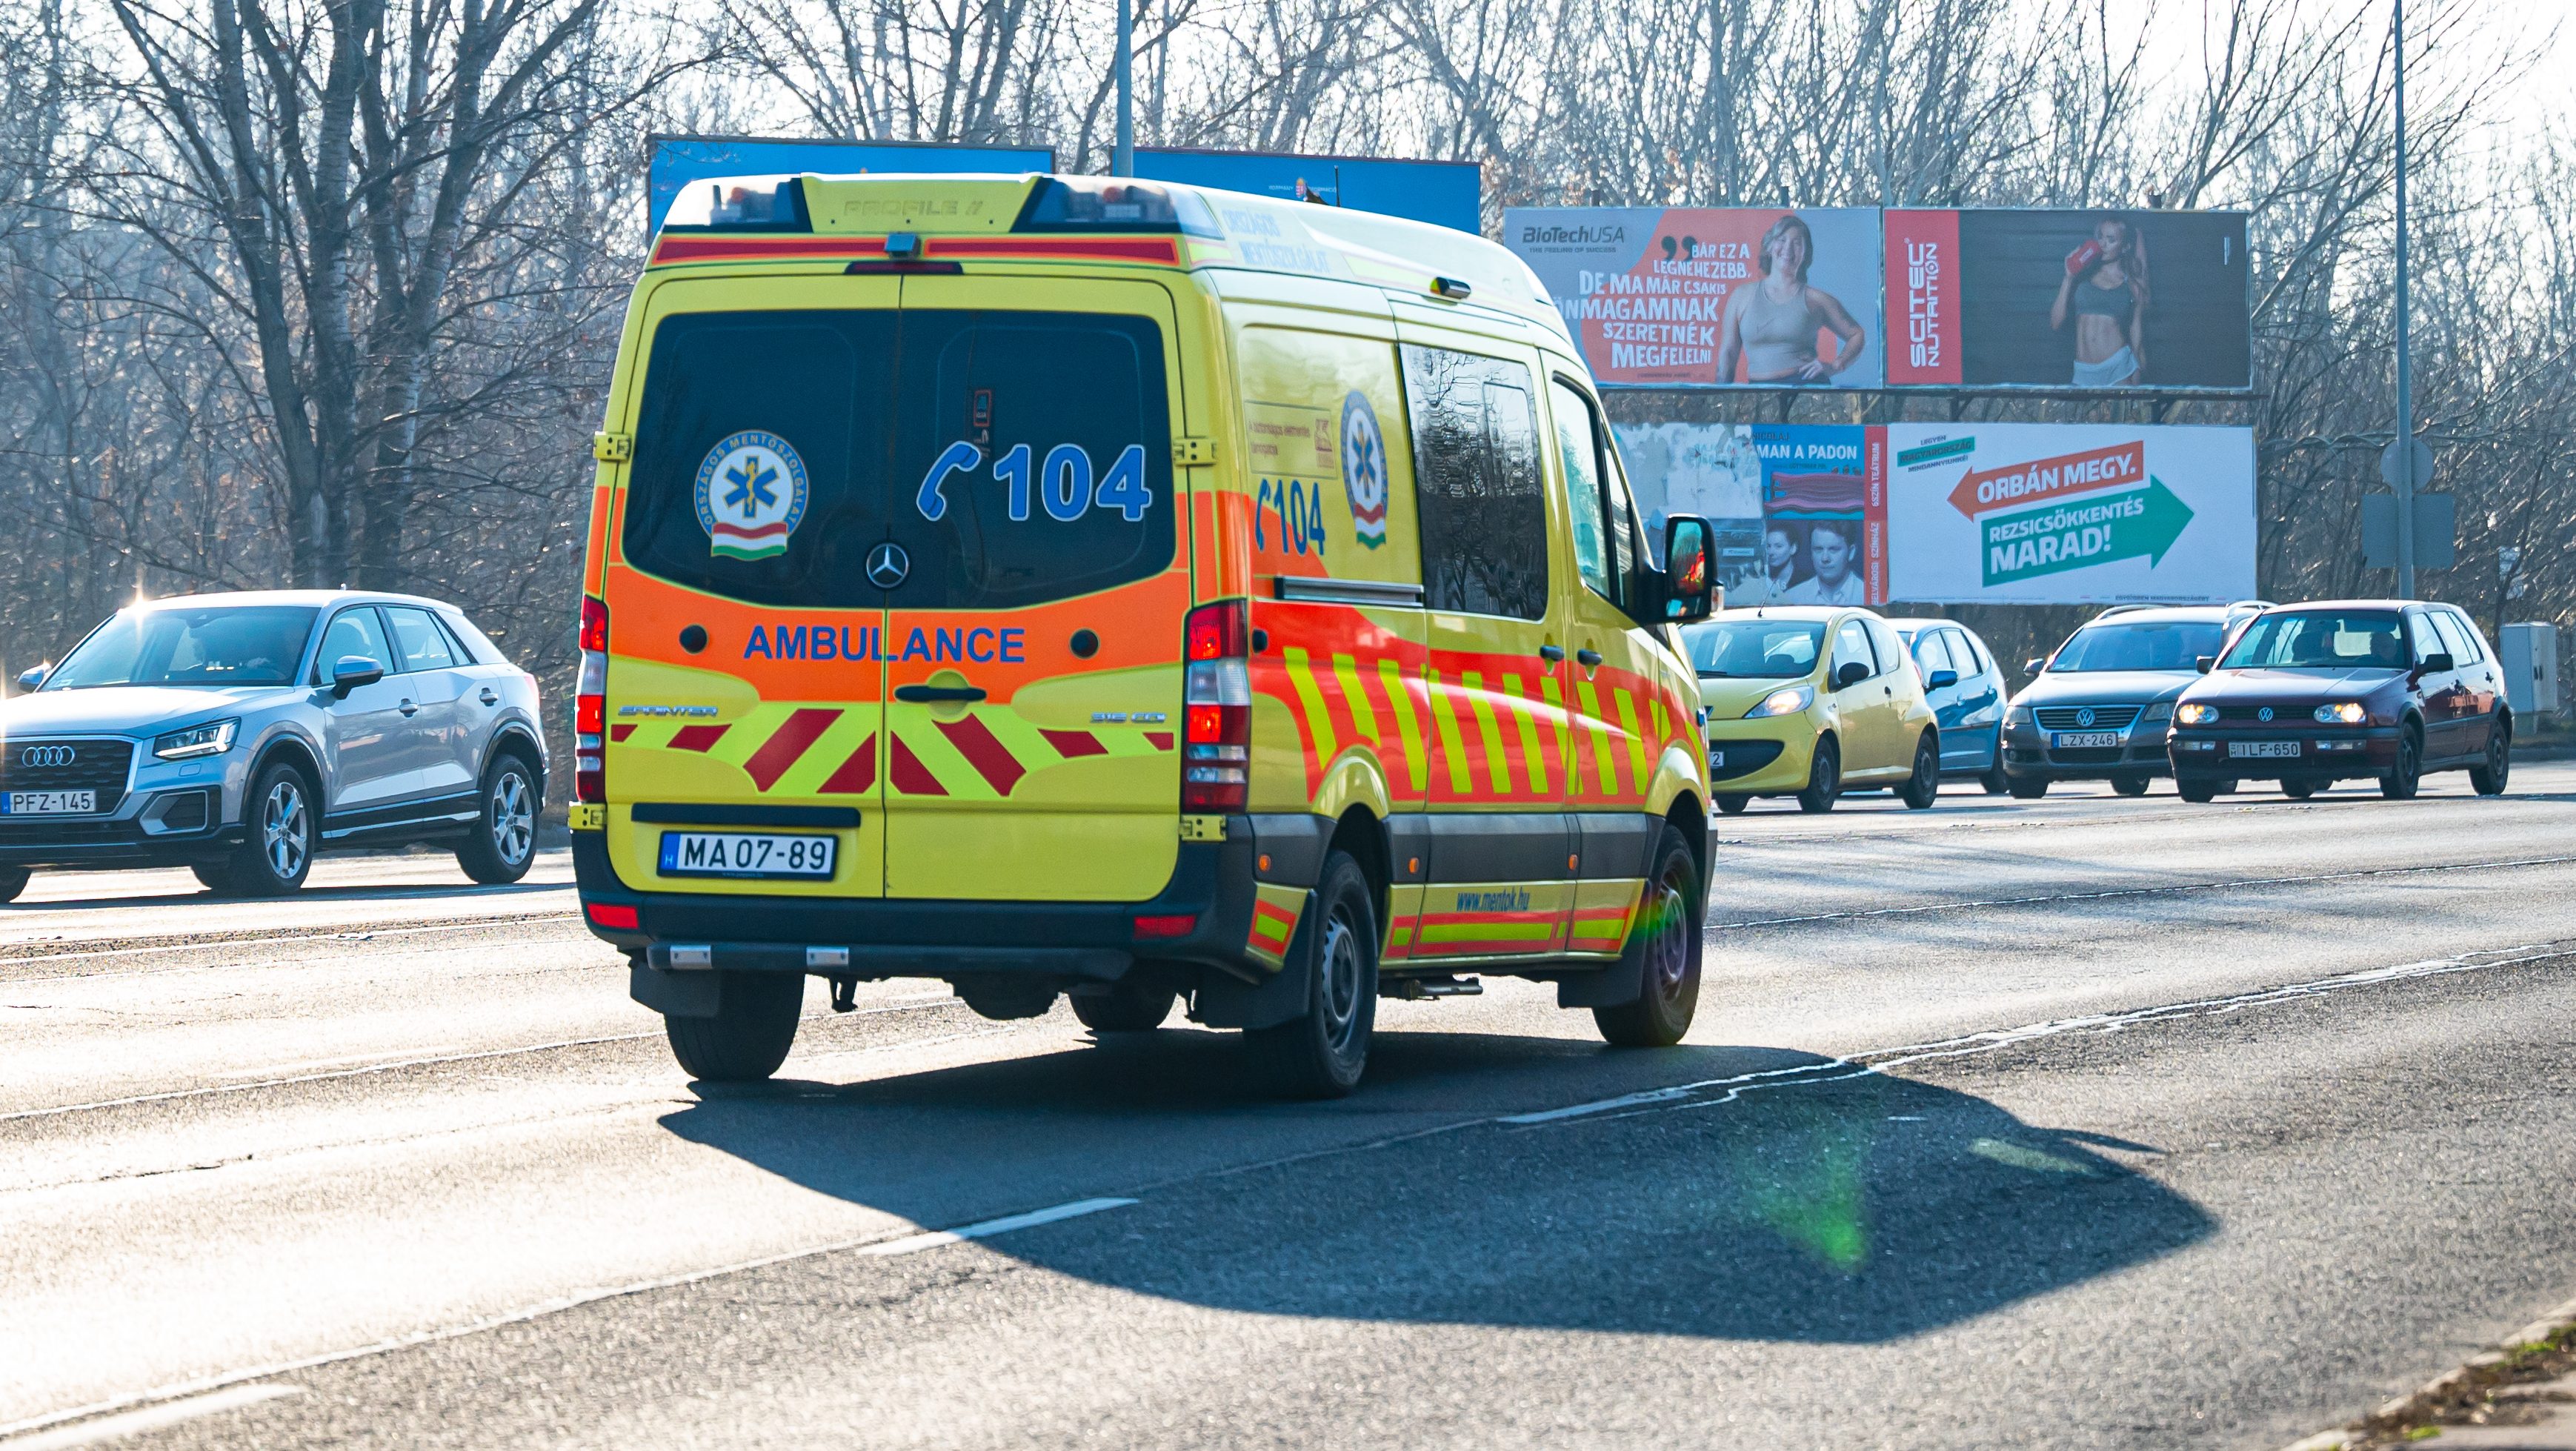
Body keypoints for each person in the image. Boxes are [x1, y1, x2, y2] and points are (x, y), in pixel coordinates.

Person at [1715, 214, 1868, 384]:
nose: (1788, 248)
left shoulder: (1817, 299)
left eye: (1797, 243)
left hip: (1806, 391)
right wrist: (1721, 393)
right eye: (1782, 240)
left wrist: (1836, 365)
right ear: (1770, 246)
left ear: (1805, 252)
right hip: (1758, 393)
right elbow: (1728, 353)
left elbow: (1857, 334)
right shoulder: (1741, 296)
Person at [2051, 216, 2149, 386]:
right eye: (2101, 237)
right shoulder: (2081, 276)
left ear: (2125, 247)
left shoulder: (2131, 285)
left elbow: (2136, 332)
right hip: (2083, 371)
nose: (2103, 244)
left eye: (2111, 240)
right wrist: (2068, 278)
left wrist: (2140, 372)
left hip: (2119, 369)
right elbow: (2056, 323)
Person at [1785, 519, 1866, 605]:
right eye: (1818, 549)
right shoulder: (1792, 598)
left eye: (1833, 549)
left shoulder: (1868, 596)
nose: (1825, 558)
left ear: (1851, 552)